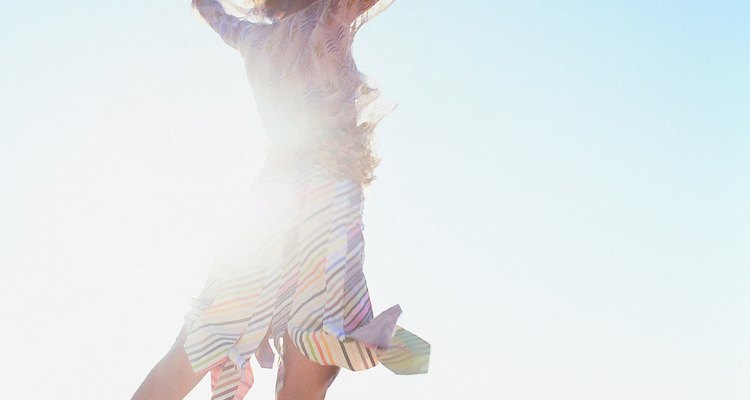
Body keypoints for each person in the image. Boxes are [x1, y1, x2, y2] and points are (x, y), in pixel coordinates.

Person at [131, 1, 429, 399]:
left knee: (205, 330)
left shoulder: (252, 37)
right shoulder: (329, 15)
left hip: (269, 200)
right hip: (325, 195)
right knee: (312, 346)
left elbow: (214, 14)